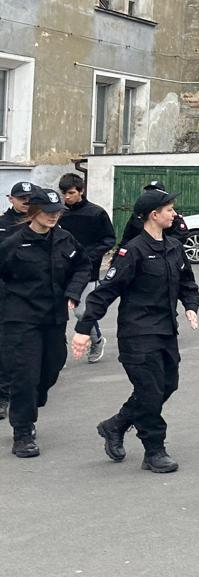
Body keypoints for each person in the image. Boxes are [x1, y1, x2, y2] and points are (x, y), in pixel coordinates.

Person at [73, 188, 199, 474]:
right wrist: (84, 328)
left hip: (166, 331)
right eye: (169, 210)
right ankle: (154, 450)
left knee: (167, 385)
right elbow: (106, 291)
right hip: (138, 333)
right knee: (150, 391)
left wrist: (190, 306)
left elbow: (187, 283)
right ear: (154, 215)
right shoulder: (132, 251)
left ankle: (116, 424)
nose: (174, 214)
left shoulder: (174, 247)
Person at [2, 189, 92, 457]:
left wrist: (73, 292)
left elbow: (83, 266)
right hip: (20, 318)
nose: (53, 216)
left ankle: (31, 399)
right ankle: (22, 432)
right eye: (48, 212)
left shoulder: (65, 239)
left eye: (57, 212)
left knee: (52, 367)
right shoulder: (14, 243)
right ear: (33, 211)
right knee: (25, 375)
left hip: (53, 317)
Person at [58, 174, 116, 364]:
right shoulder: (59, 213)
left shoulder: (96, 213)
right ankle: (56, 353)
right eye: (64, 193)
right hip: (61, 270)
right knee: (55, 312)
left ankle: (97, 341)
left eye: (71, 193)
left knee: (82, 312)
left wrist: (88, 256)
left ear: (81, 191)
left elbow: (109, 239)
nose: (67, 197)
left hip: (88, 271)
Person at [0, 180, 29, 420]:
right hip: (5, 293)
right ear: (11, 199)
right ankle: (3, 395)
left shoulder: (39, 223)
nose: (26, 202)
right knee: (5, 346)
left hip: (32, 296)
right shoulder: (2, 224)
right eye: (21, 198)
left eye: (30, 199)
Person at [118, 180, 188, 245]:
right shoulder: (138, 214)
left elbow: (181, 235)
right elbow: (127, 236)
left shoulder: (171, 215)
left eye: (155, 190)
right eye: (149, 190)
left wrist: (161, 244)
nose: (151, 193)